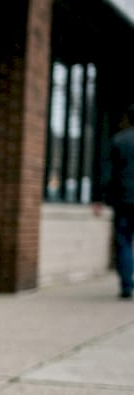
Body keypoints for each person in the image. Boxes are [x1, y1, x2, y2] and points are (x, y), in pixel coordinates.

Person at [94, 103, 134, 300]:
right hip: (124, 199)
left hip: (124, 200)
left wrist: (100, 198)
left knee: (123, 241)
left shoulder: (119, 140)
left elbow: (108, 173)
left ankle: (127, 284)